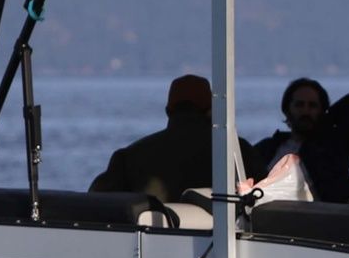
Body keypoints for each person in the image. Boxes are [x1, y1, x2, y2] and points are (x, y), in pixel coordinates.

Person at [90, 74, 252, 202]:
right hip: (222, 242)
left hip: (151, 242)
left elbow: (97, 203)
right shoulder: (237, 152)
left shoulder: (129, 157)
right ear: (210, 111)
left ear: (168, 111)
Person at [248, 77, 349, 205]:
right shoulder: (269, 147)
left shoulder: (333, 148)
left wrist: (328, 117)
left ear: (321, 110)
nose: (306, 111)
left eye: (313, 106)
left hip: (320, 221)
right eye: (299, 105)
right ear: (287, 109)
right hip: (265, 217)